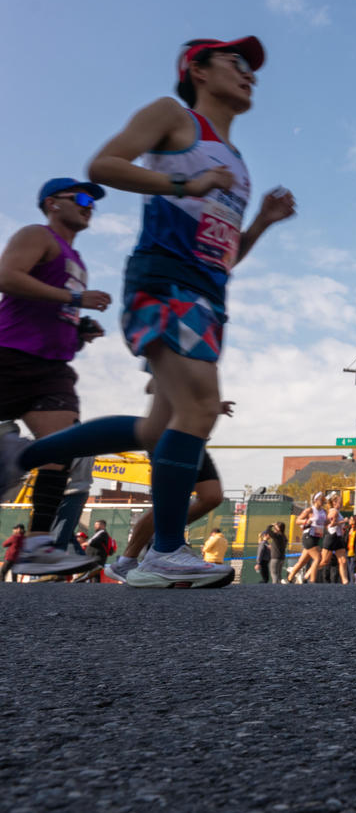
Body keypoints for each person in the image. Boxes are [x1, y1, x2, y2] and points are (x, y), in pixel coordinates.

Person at [1, 37, 296, 589]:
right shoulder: (174, 118)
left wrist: (261, 223)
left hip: (206, 294)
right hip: (164, 280)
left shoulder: (235, 163)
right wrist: (184, 181)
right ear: (199, 70)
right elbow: (103, 164)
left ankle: (23, 457)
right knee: (201, 405)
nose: (249, 74)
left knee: (157, 427)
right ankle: (162, 551)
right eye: (236, 63)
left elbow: (223, 258)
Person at [0, 177, 112, 578]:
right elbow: (8, 277)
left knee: (61, 447)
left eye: (93, 201)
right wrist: (74, 299)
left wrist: (79, 330)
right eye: (80, 198)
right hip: (11, 355)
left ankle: (37, 543)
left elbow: (55, 309)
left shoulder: (76, 261)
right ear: (52, 203)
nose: (88, 205)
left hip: (52, 370)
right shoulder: (37, 235)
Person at [106, 395, 232, 582]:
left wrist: (211, 406)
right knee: (170, 501)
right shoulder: (180, 368)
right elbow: (162, 384)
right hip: (172, 433)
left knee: (212, 497)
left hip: (195, 437)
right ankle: (127, 561)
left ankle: (165, 540)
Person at [288, 491, 327, 583]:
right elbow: (298, 521)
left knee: (302, 562)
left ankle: (289, 579)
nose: (323, 502)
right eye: (321, 500)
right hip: (308, 536)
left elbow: (326, 522)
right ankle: (312, 580)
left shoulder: (324, 511)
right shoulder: (310, 510)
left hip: (317, 538)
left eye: (324, 500)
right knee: (318, 558)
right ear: (316, 500)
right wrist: (306, 522)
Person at [321, 492, 349, 584]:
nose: (341, 504)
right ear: (334, 502)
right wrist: (343, 521)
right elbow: (330, 524)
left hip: (338, 537)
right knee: (324, 561)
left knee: (343, 561)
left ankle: (345, 581)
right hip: (331, 537)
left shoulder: (338, 512)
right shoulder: (333, 511)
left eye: (341, 502)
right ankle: (307, 574)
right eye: (340, 502)